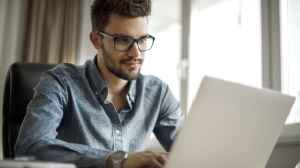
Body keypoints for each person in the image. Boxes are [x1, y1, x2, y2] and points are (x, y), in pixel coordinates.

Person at [15, 0, 184, 168]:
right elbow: (29, 146)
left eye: (142, 40)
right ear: (97, 40)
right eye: (123, 40)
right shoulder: (60, 83)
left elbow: (191, 149)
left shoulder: (158, 93)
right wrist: (119, 160)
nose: (136, 53)